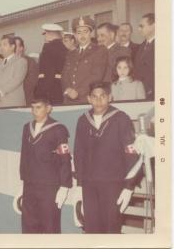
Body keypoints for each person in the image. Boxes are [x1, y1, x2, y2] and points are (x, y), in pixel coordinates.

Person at [73, 82, 142, 233]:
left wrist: (129, 186)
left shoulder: (121, 118)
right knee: (91, 229)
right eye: (94, 97)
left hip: (113, 183)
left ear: (110, 97)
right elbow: (79, 154)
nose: (98, 100)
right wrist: (79, 184)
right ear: (88, 99)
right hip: (89, 184)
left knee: (111, 228)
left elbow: (131, 153)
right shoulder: (83, 120)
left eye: (102, 96)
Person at [19, 97, 72, 233]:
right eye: (33, 108)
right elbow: (24, 155)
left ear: (48, 109)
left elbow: (65, 158)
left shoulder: (58, 129)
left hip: (49, 185)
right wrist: (23, 180)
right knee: (29, 224)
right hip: (30, 184)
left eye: (39, 107)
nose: (35, 111)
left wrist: (64, 186)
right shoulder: (27, 128)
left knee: (50, 225)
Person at [61, 16, 108, 104]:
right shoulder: (71, 54)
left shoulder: (99, 50)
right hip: (69, 100)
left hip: (87, 99)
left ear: (91, 33)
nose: (82, 35)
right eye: (79, 32)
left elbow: (96, 76)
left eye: (85, 32)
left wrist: (78, 92)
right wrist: (67, 90)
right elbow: (64, 76)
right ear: (75, 35)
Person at [0, 35, 27, 108]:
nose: (1, 47)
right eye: (0, 45)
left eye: (4, 45)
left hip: (13, 103)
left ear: (12, 47)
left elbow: (16, 80)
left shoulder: (21, 61)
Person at [34, 24, 68, 105]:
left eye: (45, 34)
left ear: (50, 34)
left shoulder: (48, 48)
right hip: (60, 88)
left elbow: (48, 72)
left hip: (49, 90)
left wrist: (41, 92)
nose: (44, 36)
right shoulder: (64, 48)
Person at [134, 13, 155, 100]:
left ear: (153, 26)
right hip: (142, 92)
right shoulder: (140, 47)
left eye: (142, 26)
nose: (139, 29)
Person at [14, 36, 38, 106]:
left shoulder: (30, 62)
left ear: (22, 48)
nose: (12, 48)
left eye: (15, 46)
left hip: (25, 100)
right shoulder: (7, 62)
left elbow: (31, 83)